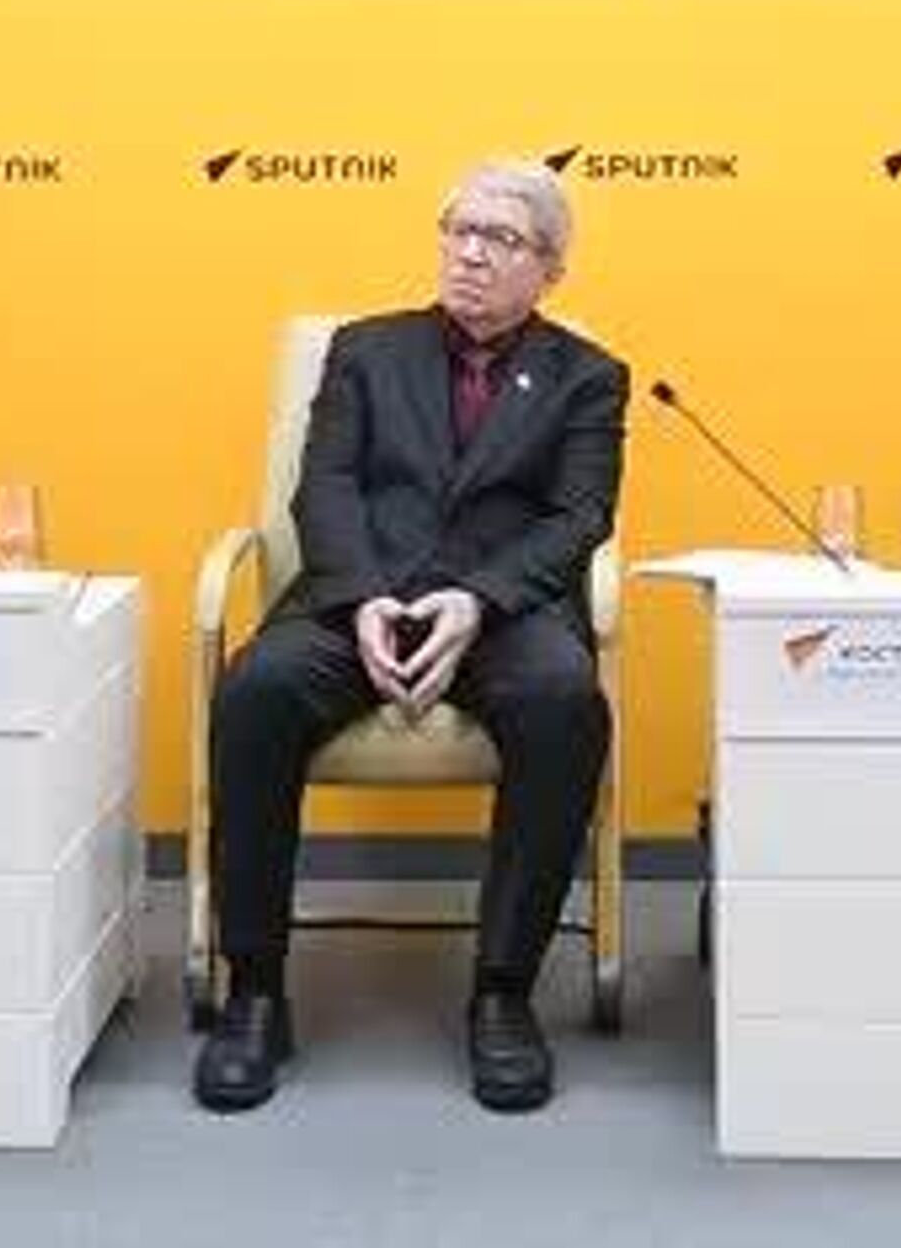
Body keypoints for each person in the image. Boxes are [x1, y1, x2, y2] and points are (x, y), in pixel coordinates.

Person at [194, 158, 627, 1115]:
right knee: (256, 692)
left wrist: (477, 601)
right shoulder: (366, 350)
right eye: (459, 230)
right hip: (357, 601)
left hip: (500, 613)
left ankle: (504, 992)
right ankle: (255, 990)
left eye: (500, 239)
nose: (470, 254)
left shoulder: (588, 378)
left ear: (550, 270)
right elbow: (326, 485)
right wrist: (361, 599)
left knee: (566, 703)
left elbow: (578, 516)